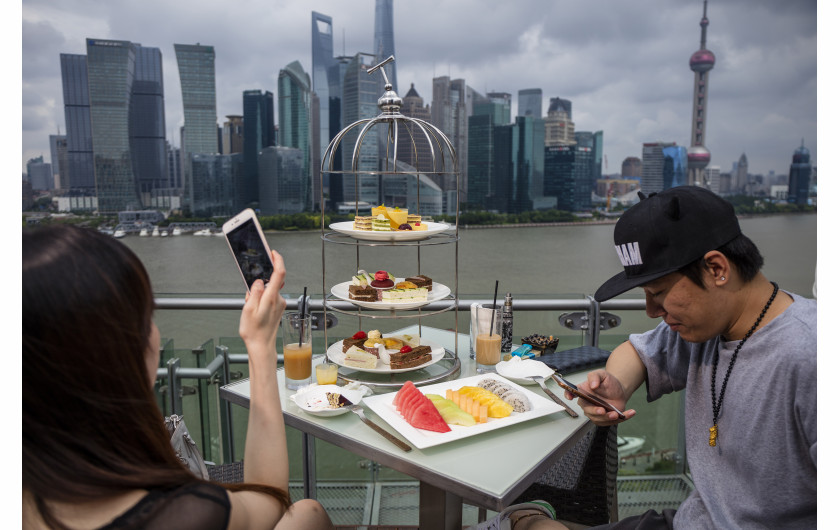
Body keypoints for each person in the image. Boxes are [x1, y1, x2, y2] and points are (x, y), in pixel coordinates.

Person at [488, 187, 817, 529]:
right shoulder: (705, 326)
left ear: (717, 269)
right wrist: (616, 385)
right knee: (519, 522)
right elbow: (637, 352)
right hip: (692, 520)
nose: (650, 311)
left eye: (658, 293)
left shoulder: (810, 355)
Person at [23, 225, 334, 530]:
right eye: (147, 317)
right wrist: (260, 345)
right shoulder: (184, 512)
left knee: (309, 512)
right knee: (308, 514)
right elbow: (268, 500)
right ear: (120, 357)